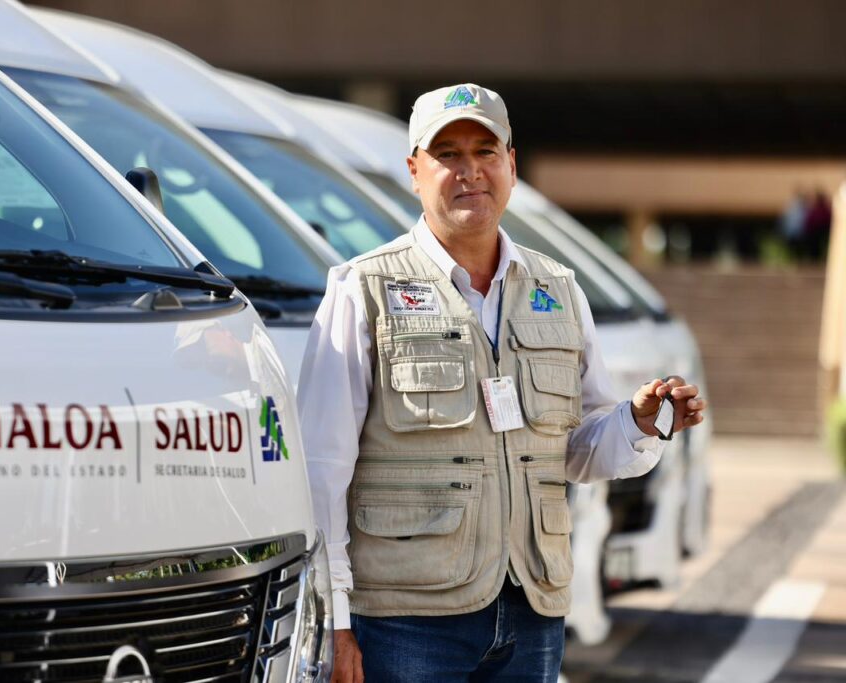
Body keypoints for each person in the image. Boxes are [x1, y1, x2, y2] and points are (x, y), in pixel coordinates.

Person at [296, 83, 707, 682]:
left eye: (486, 152)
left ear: (512, 165)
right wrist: (331, 620)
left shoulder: (559, 289)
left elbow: (578, 450)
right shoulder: (363, 290)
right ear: (414, 171)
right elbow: (320, 470)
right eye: (448, 155)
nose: (471, 172)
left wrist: (639, 422)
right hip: (405, 623)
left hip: (532, 614)